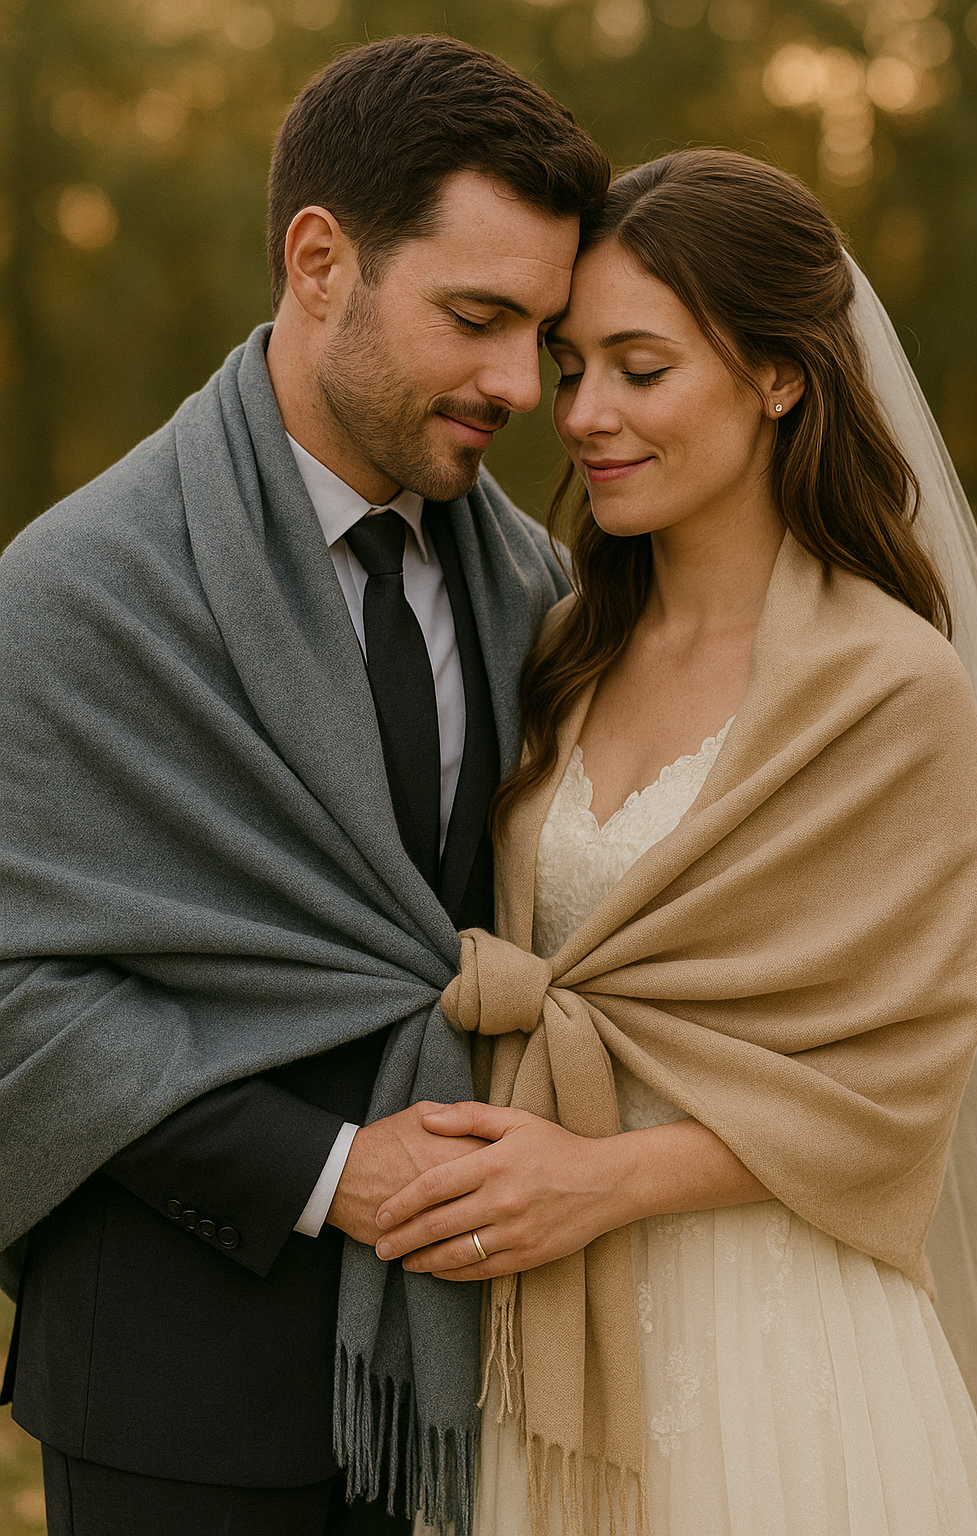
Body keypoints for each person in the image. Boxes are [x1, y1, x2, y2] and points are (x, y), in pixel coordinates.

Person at [0, 35, 609, 1536]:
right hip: (176, 1393)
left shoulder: (530, 578)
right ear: (321, 259)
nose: (517, 383)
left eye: (545, 333)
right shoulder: (77, 591)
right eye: (477, 318)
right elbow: (17, 990)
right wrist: (334, 1170)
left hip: (480, 1380)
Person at [370, 151, 977, 1535]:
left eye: (640, 368)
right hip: (551, 1321)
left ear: (779, 376)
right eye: (572, 369)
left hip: (773, 1325)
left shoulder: (891, 685)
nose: (587, 415)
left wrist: (596, 1182)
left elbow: (894, 1079)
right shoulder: (556, 649)